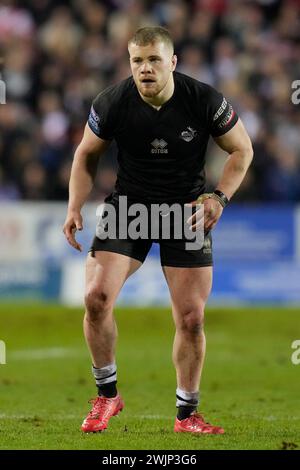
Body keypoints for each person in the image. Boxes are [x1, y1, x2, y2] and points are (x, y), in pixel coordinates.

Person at [63, 26, 253, 435]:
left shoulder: (203, 99)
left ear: (172, 62)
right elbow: (86, 155)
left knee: (191, 318)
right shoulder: (112, 101)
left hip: (184, 212)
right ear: (129, 63)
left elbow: (242, 149)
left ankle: (187, 416)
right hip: (129, 208)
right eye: (137, 60)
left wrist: (218, 197)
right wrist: (75, 205)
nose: (145, 68)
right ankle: (107, 396)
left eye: (153, 60)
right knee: (95, 298)